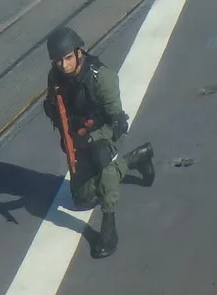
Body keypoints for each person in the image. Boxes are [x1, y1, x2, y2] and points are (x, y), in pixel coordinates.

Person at [40, 25, 153, 259]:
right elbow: (53, 106)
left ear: (79, 52)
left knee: (105, 169)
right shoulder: (56, 76)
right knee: (83, 199)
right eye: (59, 60)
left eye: (68, 58)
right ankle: (137, 158)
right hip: (78, 136)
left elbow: (118, 123)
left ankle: (109, 226)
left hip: (105, 134)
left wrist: (93, 138)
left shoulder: (102, 77)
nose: (64, 65)